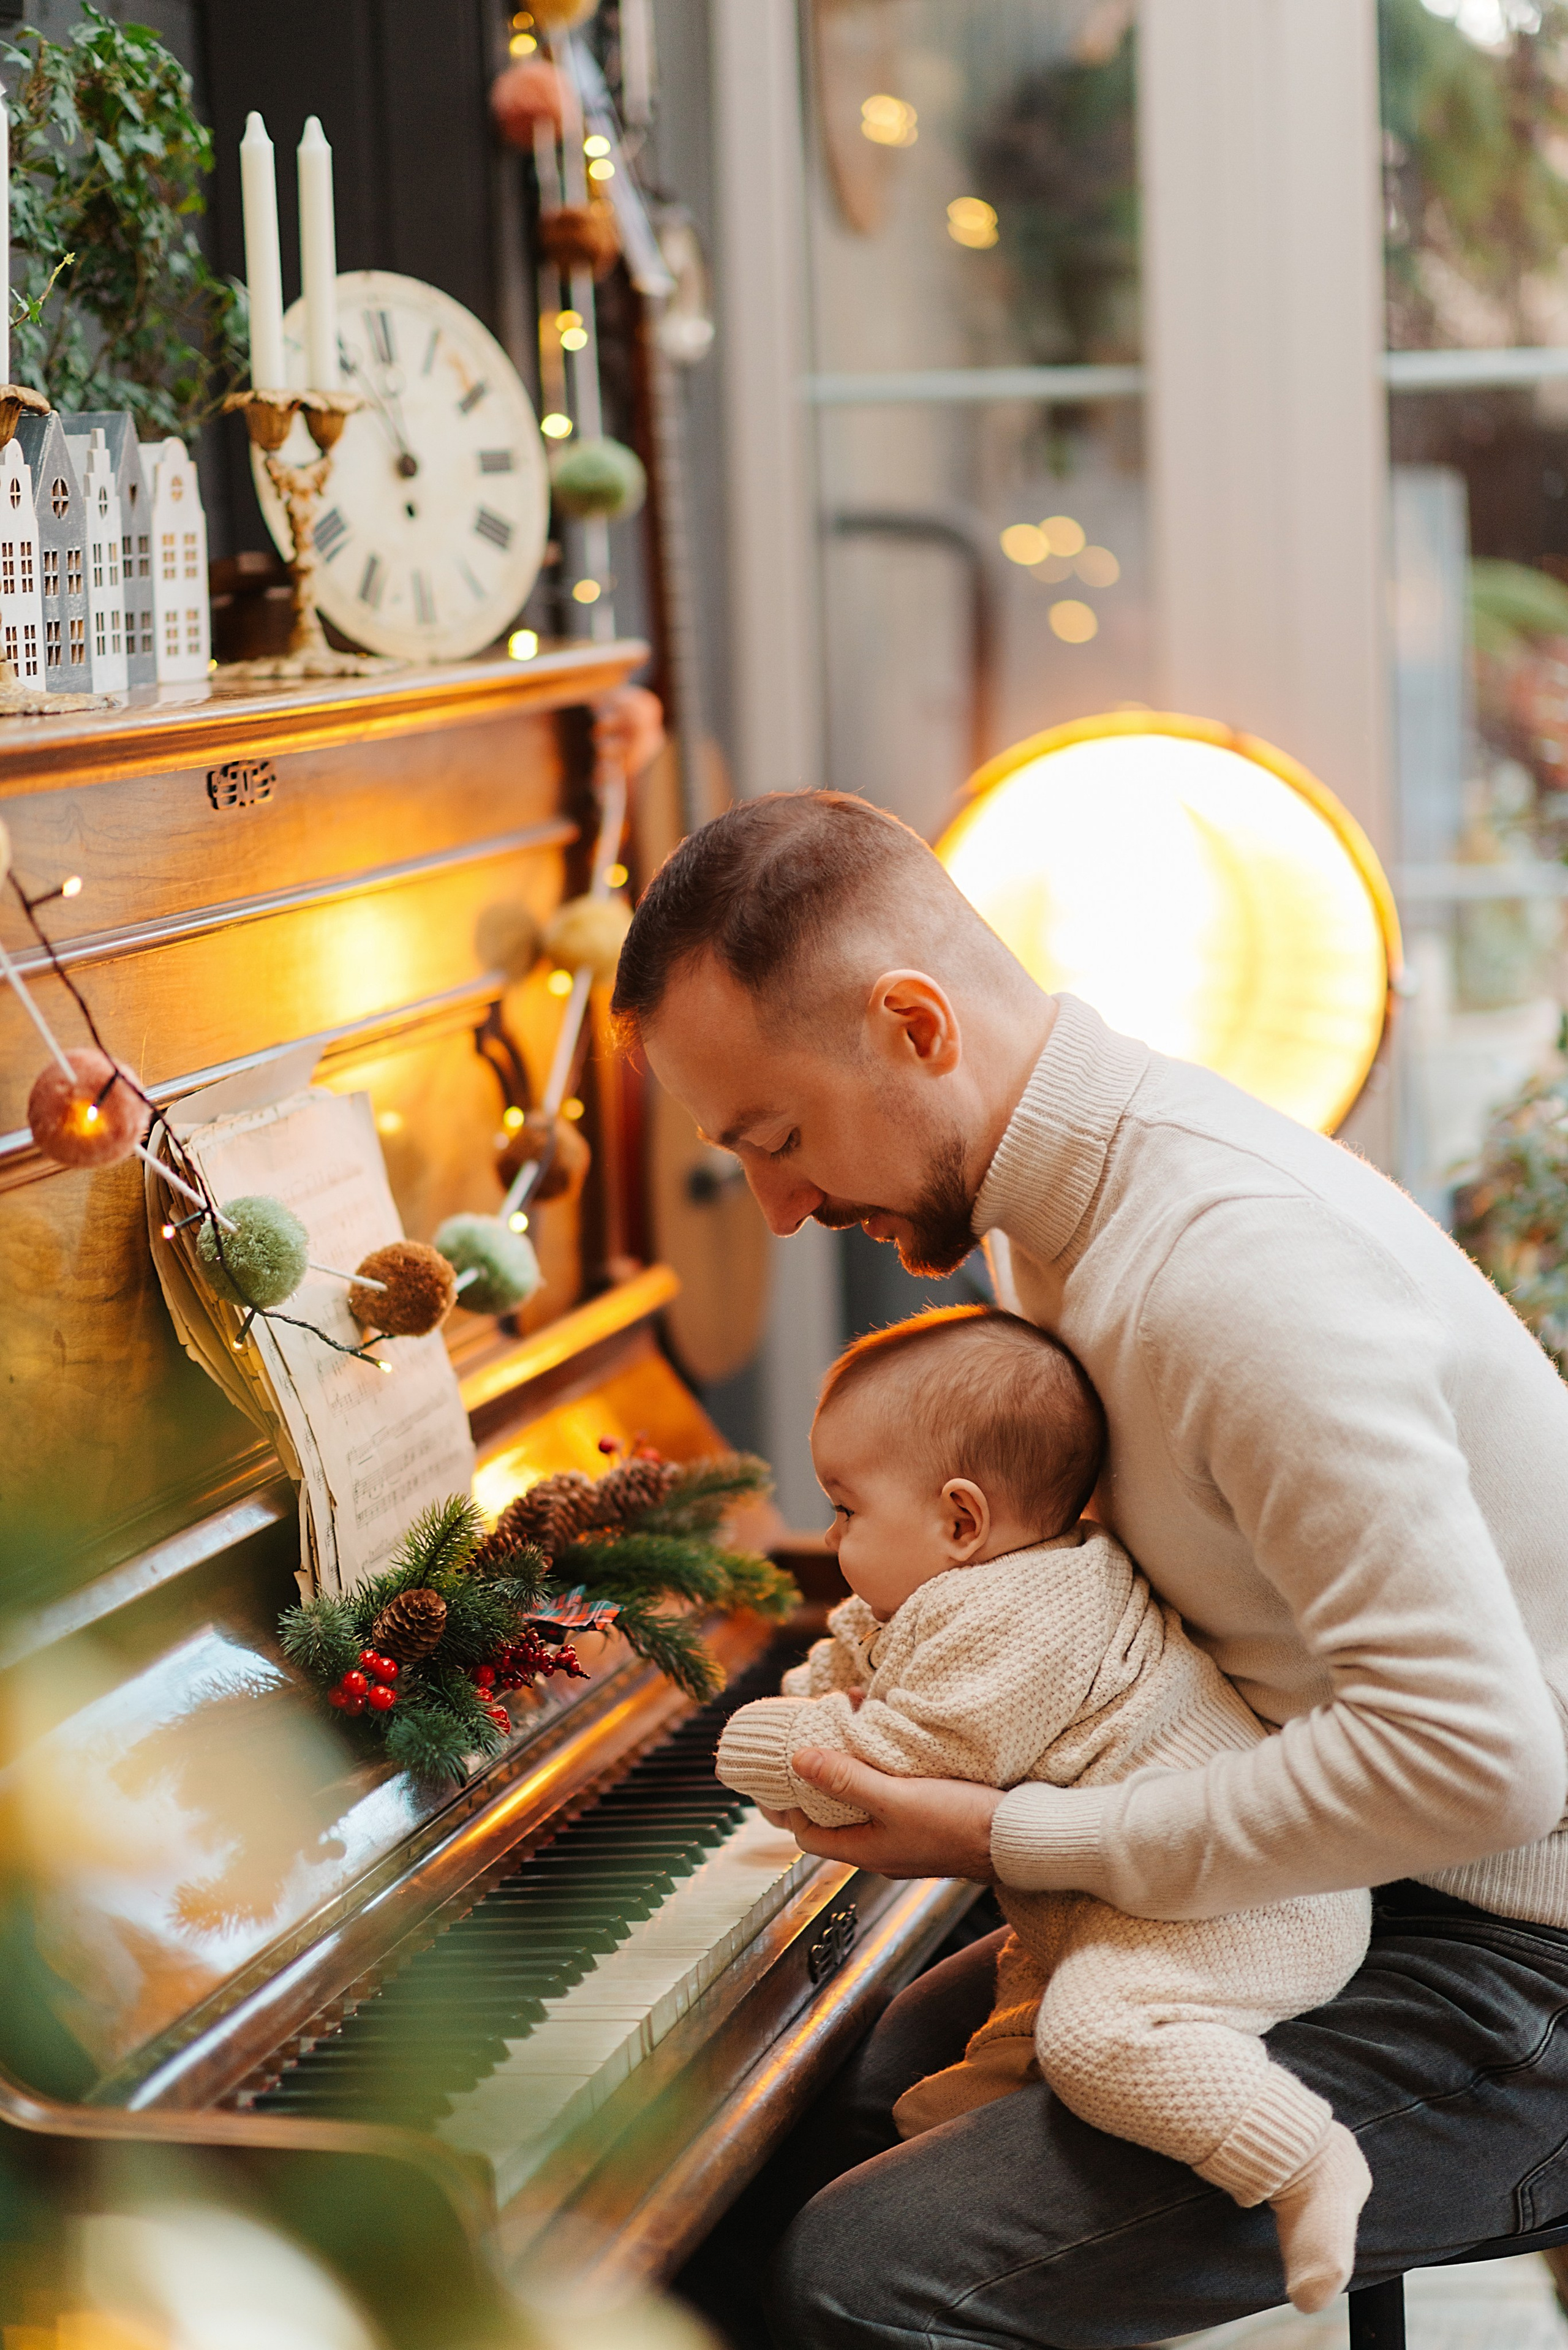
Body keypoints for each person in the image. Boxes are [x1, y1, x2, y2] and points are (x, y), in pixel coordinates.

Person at [608, 788, 1568, 2347]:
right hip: (1360, 1872)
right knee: (786, 2112)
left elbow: (1482, 1766)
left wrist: (1013, 1829)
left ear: (914, 1024)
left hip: (1524, 1941)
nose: (777, 1209)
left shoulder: (1227, 1269)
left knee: (865, 2271)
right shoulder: (1043, 1210)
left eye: (776, 1139)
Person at [715, 1305, 1372, 2313]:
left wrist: (752, 1740)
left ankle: (1304, 2157)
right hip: (1130, 1889)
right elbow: (848, 1664)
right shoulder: (966, 1584)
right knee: (1020, 2003)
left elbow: (896, 1761)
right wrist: (817, 1700)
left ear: (961, 1521)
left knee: (1094, 2032)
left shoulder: (1018, 1613)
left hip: (1249, 1903)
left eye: (845, 1511)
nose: (834, 1537)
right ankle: (980, 2116)